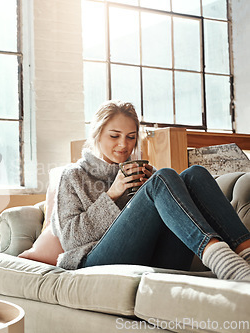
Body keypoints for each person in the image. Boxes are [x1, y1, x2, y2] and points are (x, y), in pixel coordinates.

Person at [51, 100, 250, 280]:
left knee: (194, 175)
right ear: (97, 134)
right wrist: (112, 194)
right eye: (114, 136)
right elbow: (70, 240)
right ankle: (222, 261)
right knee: (161, 179)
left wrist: (150, 190)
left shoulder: (146, 174)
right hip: (96, 261)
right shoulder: (73, 176)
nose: (123, 145)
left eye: (130, 137)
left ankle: (246, 256)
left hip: (154, 259)